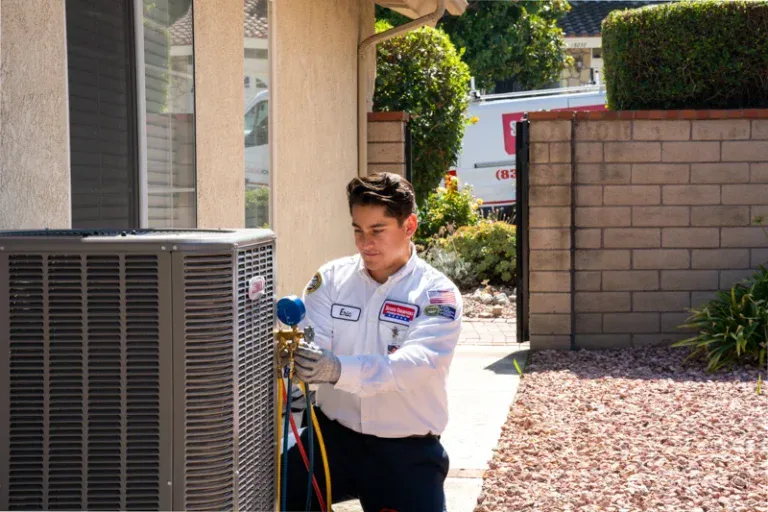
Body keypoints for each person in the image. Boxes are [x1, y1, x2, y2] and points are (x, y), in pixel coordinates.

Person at [281, 172, 463, 512]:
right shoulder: (332, 279)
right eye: (358, 230)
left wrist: (336, 369)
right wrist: (302, 359)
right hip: (332, 438)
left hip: (404, 452)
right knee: (274, 493)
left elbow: (413, 367)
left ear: (409, 225)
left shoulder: (436, 294)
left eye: (378, 230)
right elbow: (312, 340)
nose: (366, 243)